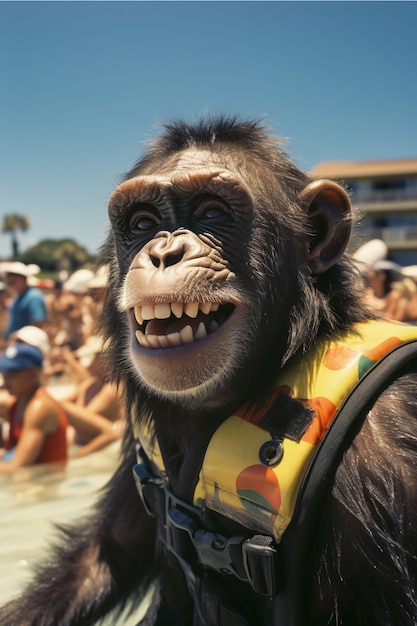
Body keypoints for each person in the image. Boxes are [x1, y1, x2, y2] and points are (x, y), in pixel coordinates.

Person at [0, 343, 68, 471]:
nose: (5, 379)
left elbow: (18, 467)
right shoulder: (18, 403)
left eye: (12, 373)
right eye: (4, 372)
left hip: (43, 486)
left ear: (32, 375)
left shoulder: (40, 407)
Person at [0, 262, 47, 338]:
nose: (9, 278)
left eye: (13, 275)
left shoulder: (33, 296)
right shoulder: (18, 296)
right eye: (8, 275)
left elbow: (38, 324)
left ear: (23, 278)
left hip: (25, 344)